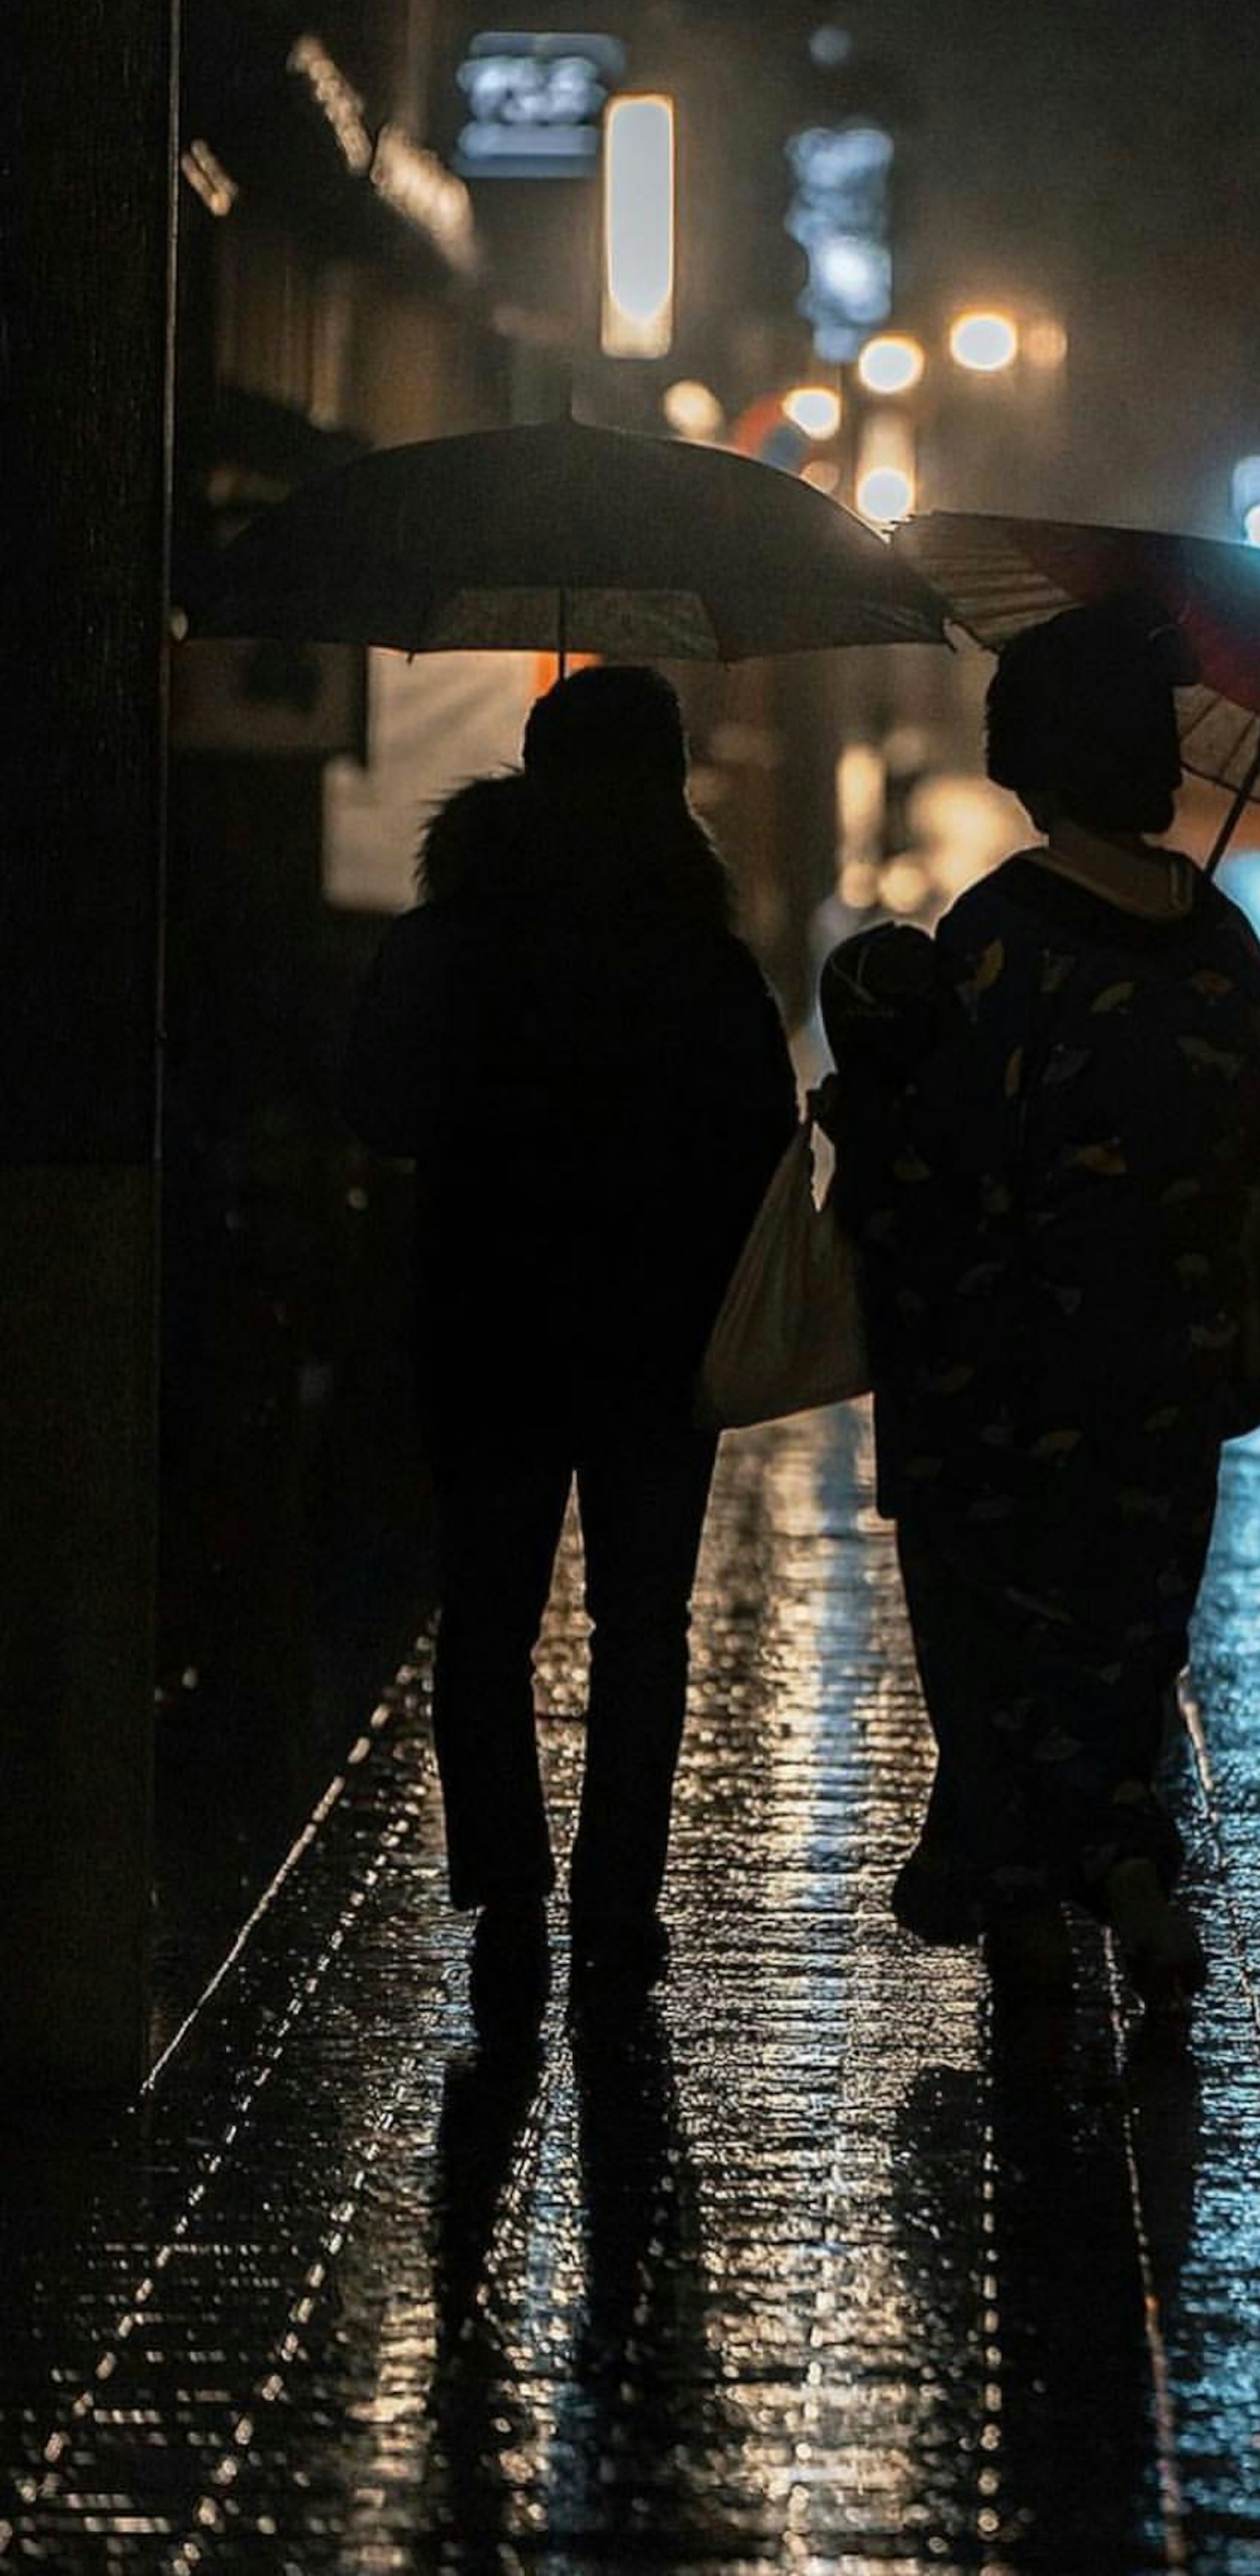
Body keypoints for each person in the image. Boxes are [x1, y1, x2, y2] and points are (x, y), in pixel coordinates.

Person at [822, 597, 1260, 2003]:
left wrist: (862, 1114)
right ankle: (1124, 1869)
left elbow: (940, 1166)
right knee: (1126, 1637)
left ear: (1032, 764)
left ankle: (1030, 1906)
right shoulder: (1223, 949)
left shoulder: (1001, 939)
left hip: (998, 1383)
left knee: (995, 1639)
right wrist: (1239, 1346)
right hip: (1163, 1382)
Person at [343, 666, 796, 2019]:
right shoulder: (703, 959)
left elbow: (377, 1105)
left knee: (485, 1615)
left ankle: (507, 1891)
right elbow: (760, 1149)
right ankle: (616, 1904)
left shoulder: (454, 938)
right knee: (641, 1625)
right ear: (668, 789)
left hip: (485, 1318)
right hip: (657, 1341)